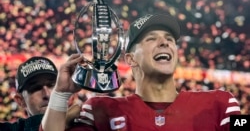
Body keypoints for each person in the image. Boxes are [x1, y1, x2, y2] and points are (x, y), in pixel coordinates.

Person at [40, 14, 241, 131]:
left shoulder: (220, 103)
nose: (165, 42)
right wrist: (60, 94)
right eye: (151, 38)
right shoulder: (100, 109)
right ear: (131, 59)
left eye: (169, 39)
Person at [0, 56, 81, 131]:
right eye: (36, 88)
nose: (47, 94)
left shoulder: (85, 122)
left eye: (53, 85)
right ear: (20, 100)